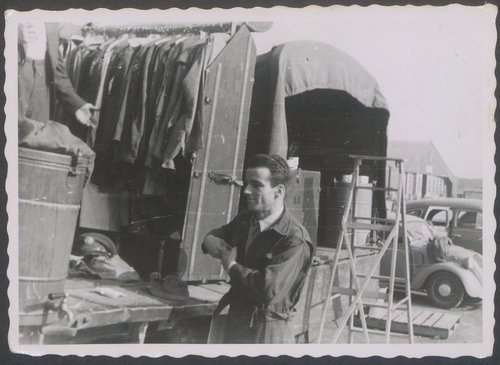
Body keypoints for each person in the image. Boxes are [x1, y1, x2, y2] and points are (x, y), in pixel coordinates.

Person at [202, 154, 313, 343]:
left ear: (278, 192)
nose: (246, 190)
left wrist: (230, 265)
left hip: (267, 331)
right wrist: (209, 240)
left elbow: (267, 289)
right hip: (238, 323)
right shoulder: (246, 220)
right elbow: (220, 234)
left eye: (256, 185)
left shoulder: (294, 239)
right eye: (246, 183)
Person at [18, 22, 96, 128]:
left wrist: (76, 104)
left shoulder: (52, 20)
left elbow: (55, 62)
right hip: (14, 79)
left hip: (42, 84)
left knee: (38, 138)